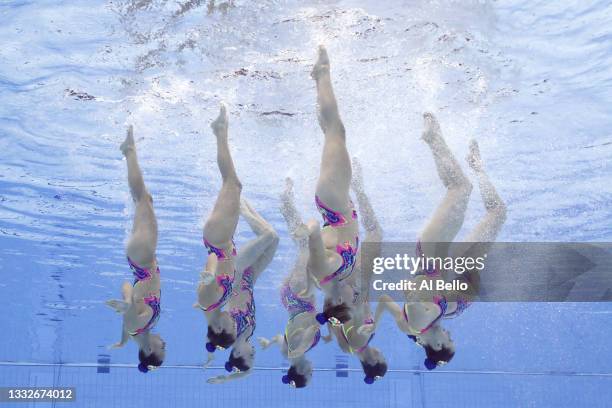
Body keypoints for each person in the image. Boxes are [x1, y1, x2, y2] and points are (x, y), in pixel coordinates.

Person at [365, 113, 507, 369]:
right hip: (444, 260)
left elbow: (416, 299)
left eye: (448, 339)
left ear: (439, 345)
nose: (449, 334)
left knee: (460, 188)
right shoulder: (415, 325)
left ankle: (433, 138)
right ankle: (477, 167)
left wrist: (415, 297)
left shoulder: (419, 321)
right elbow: (388, 298)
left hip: (432, 254)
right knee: (497, 211)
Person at [301, 45, 360, 325]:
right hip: (336, 200)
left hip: (333, 201)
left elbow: (314, 247)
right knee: (332, 132)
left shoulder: (328, 273)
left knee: (336, 130)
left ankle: (322, 72)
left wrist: (311, 231)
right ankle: (318, 82)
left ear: (337, 301)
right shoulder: (333, 278)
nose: (355, 296)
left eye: (352, 301)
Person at [257, 178, 333, 388]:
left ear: (300, 372)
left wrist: (329, 318)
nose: (313, 372)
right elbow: (280, 337)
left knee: (306, 246)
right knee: (305, 247)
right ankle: (288, 205)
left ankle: (287, 205)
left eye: (309, 375)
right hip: (289, 299)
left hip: (300, 296)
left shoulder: (300, 350)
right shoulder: (288, 353)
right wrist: (268, 342)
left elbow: (315, 324)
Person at [106, 126, 166, 373]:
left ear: (150, 351)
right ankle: (129, 152)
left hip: (142, 259)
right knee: (145, 199)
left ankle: (129, 150)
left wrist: (128, 301)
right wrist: (122, 340)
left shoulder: (137, 326)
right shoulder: (138, 329)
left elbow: (126, 288)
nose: (165, 344)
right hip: (140, 258)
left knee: (142, 198)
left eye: (163, 349)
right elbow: (128, 322)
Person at [325, 158, 388, 384]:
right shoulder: (348, 348)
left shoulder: (360, 342)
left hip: (355, 285)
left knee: (374, 233)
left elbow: (359, 313)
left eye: (381, 357)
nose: (381, 352)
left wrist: (375, 318)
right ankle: (338, 181)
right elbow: (335, 321)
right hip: (349, 286)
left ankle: (352, 183)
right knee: (354, 231)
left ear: (372, 362)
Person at [205, 199, 279, 384]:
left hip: (236, 274)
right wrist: (230, 378)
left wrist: (212, 354)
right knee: (274, 238)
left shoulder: (230, 333)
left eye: (250, 357)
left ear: (237, 352)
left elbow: (212, 324)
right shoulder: (249, 332)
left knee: (268, 235)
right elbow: (248, 372)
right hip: (251, 277)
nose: (254, 355)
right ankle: (243, 202)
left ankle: (239, 206)